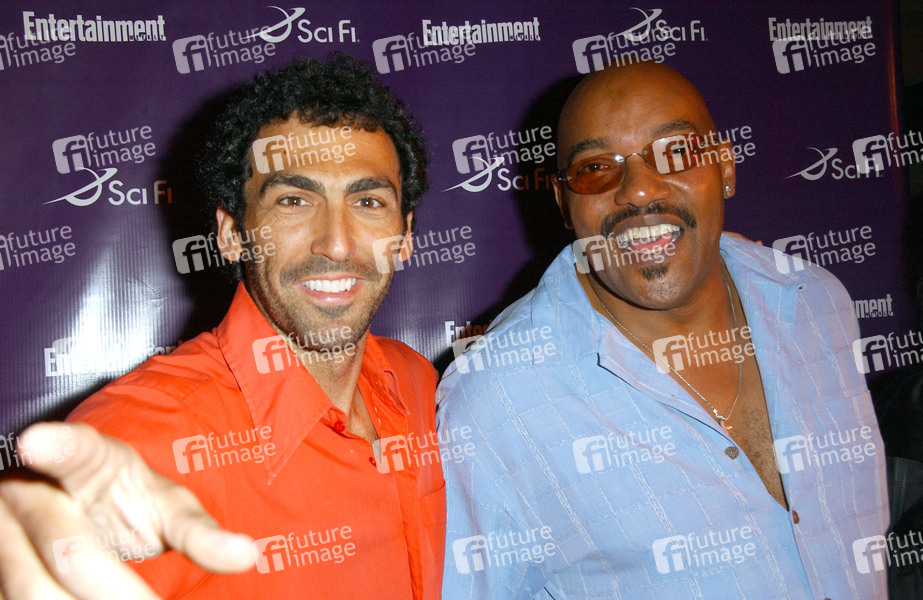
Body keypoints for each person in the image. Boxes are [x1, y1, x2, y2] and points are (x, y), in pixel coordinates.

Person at [437, 61, 889, 598]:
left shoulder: (815, 302)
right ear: (564, 203)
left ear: (725, 167)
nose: (639, 190)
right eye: (595, 168)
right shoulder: (495, 399)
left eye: (675, 152)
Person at [0, 53, 445, 599]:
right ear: (232, 234)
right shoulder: (148, 437)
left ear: (405, 235)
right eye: (293, 200)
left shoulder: (415, 381)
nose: (336, 242)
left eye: (368, 201)